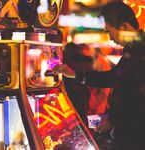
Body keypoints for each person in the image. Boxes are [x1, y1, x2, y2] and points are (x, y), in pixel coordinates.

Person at [53, 2, 145, 149]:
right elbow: (113, 78)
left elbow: (136, 95)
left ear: (124, 27)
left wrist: (113, 119)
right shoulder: (133, 49)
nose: (110, 38)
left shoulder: (140, 50)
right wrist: (74, 74)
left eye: (110, 31)